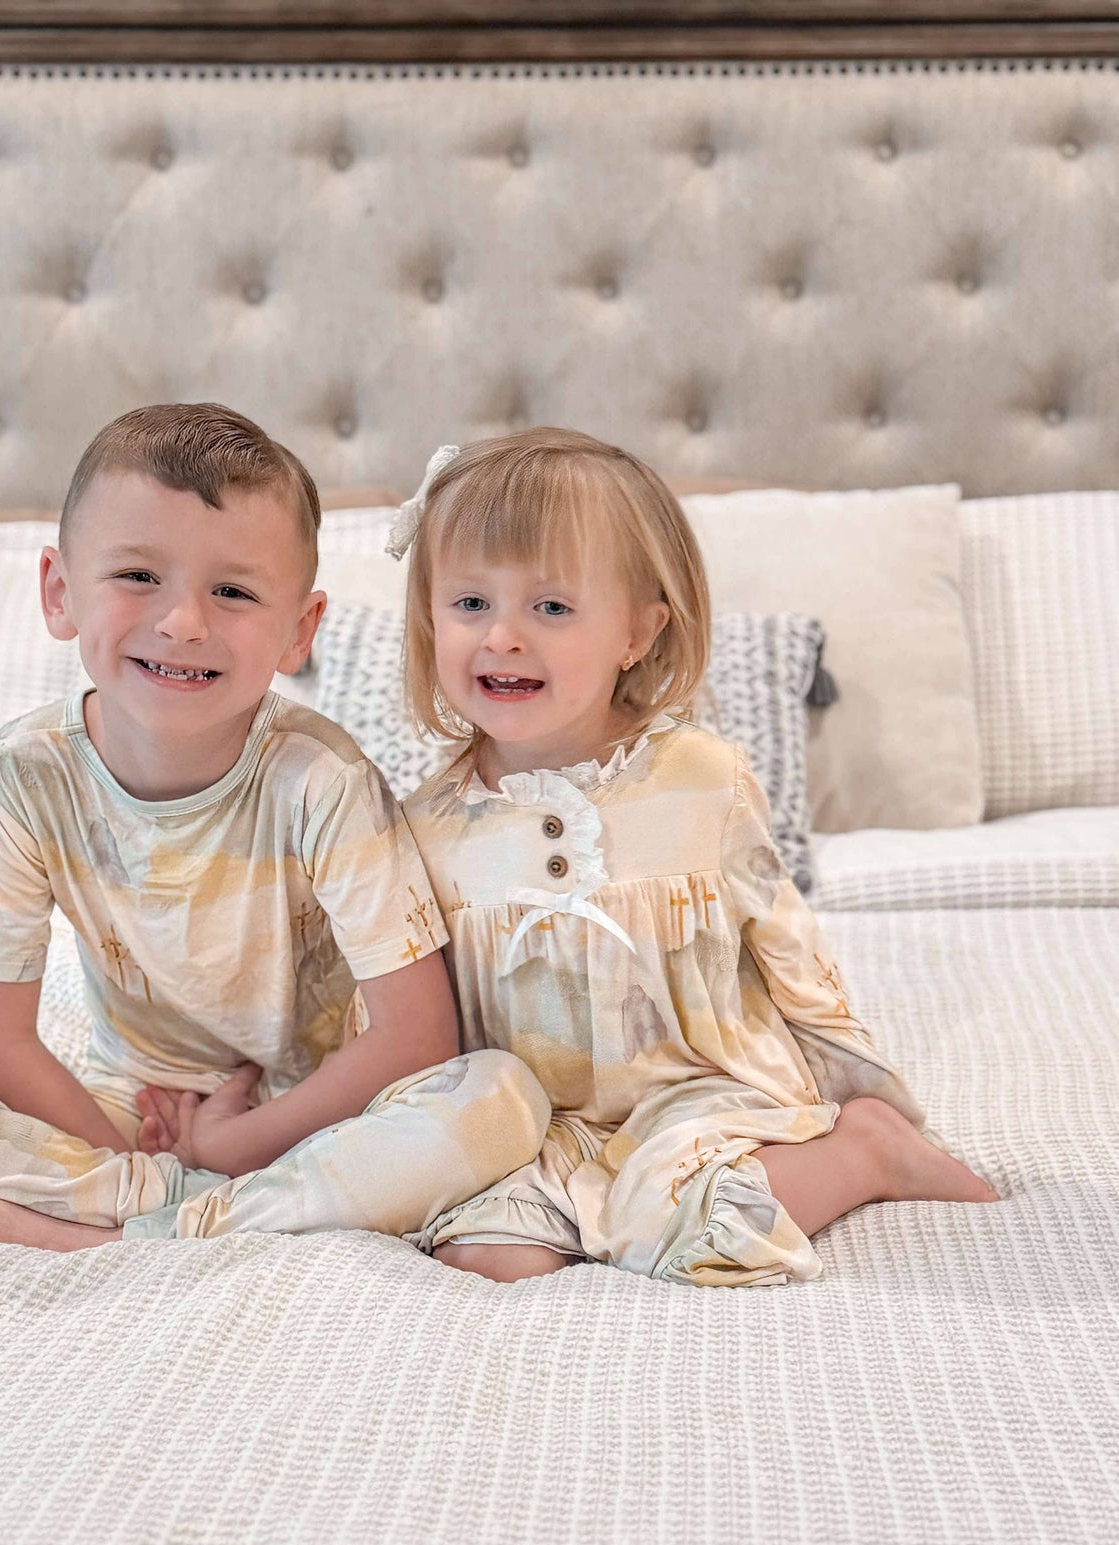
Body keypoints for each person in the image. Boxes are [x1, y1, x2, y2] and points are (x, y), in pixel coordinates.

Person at [0, 404, 546, 1249]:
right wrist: (130, 1161)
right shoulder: (26, 775)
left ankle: (118, 1228)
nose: (184, 622)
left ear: (299, 630)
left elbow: (417, 1036)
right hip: (125, 1111)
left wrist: (232, 1146)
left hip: (317, 1114)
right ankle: (181, 1214)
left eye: (233, 592)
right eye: (138, 576)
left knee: (500, 1099)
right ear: (59, 592)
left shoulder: (322, 781)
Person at [391, 429, 998, 1285]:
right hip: (532, 1123)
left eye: (552, 608)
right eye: (469, 603)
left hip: (696, 1096)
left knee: (694, 1229)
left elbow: (788, 951)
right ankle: (585, 1210)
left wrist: (860, 1085)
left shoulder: (703, 781)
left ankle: (868, 1152)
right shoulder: (425, 825)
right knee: (487, 1256)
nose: (503, 637)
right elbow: (401, 1007)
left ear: (639, 631)